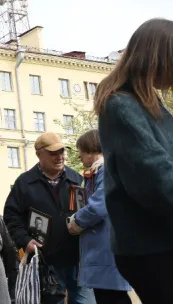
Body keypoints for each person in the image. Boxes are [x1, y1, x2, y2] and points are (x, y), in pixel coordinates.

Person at [95, 19, 173, 304]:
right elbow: (159, 184)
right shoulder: (122, 106)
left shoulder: (147, 102)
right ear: (158, 57)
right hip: (148, 248)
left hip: (171, 238)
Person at [3, 132, 92, 304]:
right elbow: (11, 216)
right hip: (46, 263)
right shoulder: (24, 183)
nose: (59, 157)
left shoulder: (77, 179)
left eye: (61, 152)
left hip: (79, 260)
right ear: (39, 154)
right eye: (53, 153)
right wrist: (25, 241)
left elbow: (87, 212)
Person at [66, 130, 131, 304]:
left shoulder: (106, 170)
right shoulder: (101, 171)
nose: (79, 155)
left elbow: (100, 205)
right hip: (104, 248)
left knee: (112, 298)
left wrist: (76, 221)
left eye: (80, 150)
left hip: (106, 248)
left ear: (89, 149)